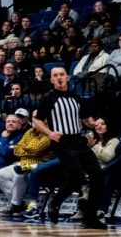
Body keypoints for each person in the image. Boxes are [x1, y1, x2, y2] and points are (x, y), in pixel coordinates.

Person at [32, 66, 106, 228]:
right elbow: (37, 121)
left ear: (67, 78)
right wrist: (50, 133)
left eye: (62, 75)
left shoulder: (75, 97)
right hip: (62, 142)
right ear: (51, 80)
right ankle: (56, 203)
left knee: (98, 175)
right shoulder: (48, 98)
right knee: (77, 178)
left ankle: (90, 216)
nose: (59, 78)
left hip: (78, 140)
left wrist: (96, 124)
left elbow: (87, 119)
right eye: (55, 75)